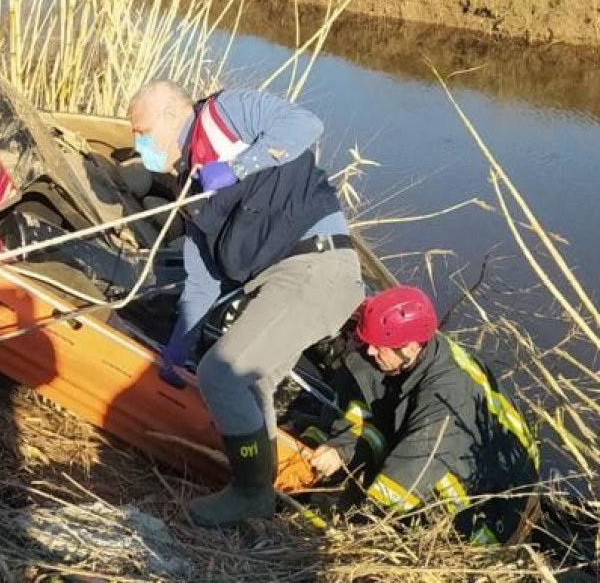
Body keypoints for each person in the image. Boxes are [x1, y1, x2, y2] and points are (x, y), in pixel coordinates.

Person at [127, 80, 364, 528]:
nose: (139, 145)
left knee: (222, 374)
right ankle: (260, 495)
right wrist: (178, 347)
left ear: (171, 115)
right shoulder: (191, 187)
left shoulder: (227, 113)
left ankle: (251, 492)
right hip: (278, 278)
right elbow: (203, 282)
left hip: (316, 264)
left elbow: (305, 124)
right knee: (254, 382)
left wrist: (238, 167)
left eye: (142, 132)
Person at [298, 285, 540, 544]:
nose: (370, 351)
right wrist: (341, 449)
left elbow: (402, 483)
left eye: (379, 346)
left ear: (411, 348)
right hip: (456, 459)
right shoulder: (414, 356)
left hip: (488, 518)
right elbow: (367, 413)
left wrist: (352, 526)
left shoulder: (445, 400)